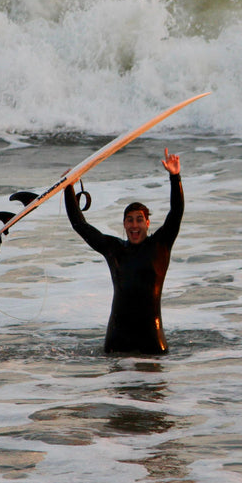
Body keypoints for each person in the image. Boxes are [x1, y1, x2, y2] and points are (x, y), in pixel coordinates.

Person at [64, 147, 184, 355]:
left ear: (147, 223)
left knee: (154, 375)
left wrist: (175, 177)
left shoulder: (160, 245)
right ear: (124, 224)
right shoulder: (114, 249)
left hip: (151, 339)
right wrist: (68, 188)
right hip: (117, 338)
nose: (134, 225)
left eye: (139, 220)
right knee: (115, 376)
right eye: (129, 220)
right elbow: (79, 225)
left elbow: (176, 212)